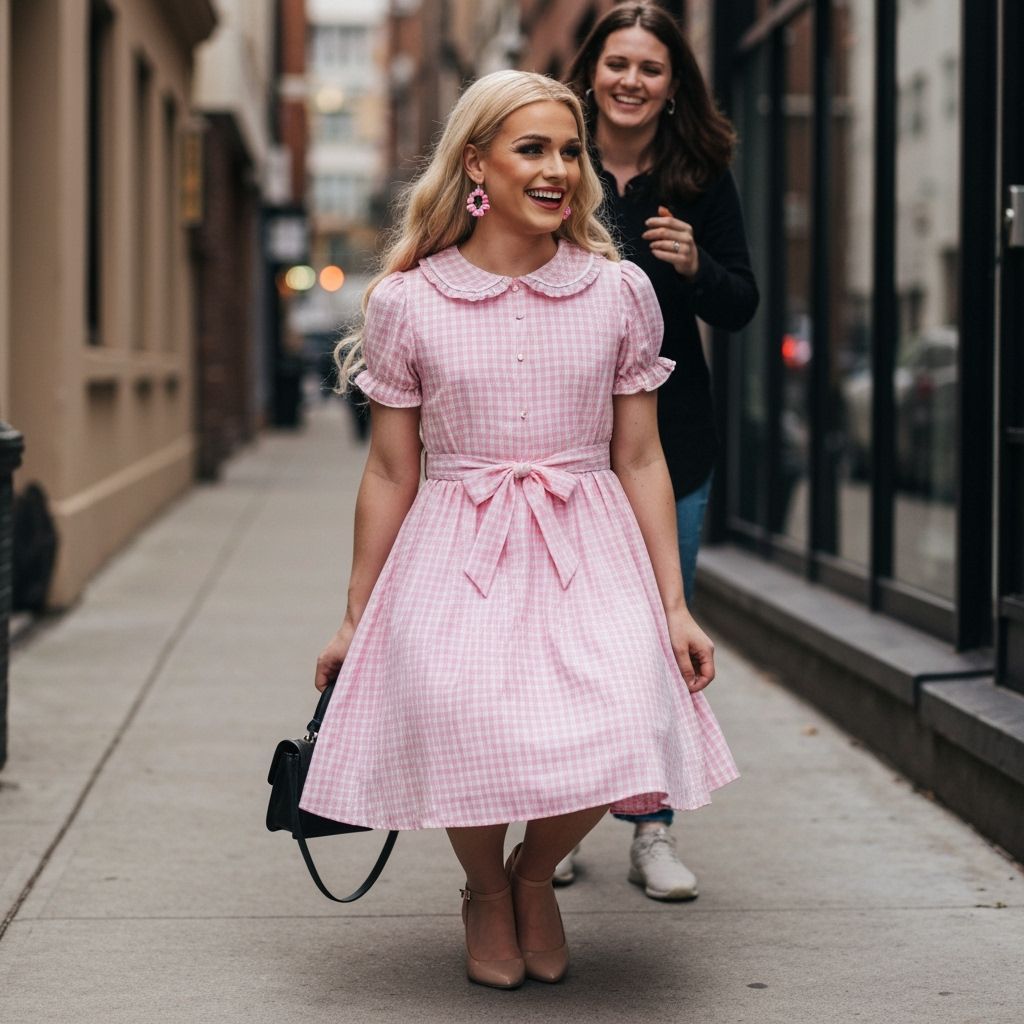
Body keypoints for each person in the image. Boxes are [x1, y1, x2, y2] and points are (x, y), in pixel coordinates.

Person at [299, 69, 737, 990]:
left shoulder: (619, 291)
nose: (558, 170)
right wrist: (354, 616)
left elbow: (641, 458)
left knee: (623, 714)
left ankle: (533, 875)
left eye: (571, 152)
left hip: (589, 541)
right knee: (465, 718)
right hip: (457, 543)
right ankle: (485, 890)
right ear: (475, 165)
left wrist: (673, 606)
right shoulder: (408, 302)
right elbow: (390, 471)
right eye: (532, 149)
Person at [563, 4, 758, 900]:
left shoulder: (699, 176)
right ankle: (556, 818)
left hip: (670, 442)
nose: (631, 81)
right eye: (618, 64)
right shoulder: (557, 159)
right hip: (562, 439)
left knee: (659, 635)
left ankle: (653, 829)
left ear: (674, 83)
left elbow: (741, 303)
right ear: (591, 71)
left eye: (650, 67)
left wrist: (694, 266)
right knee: (558, 636)